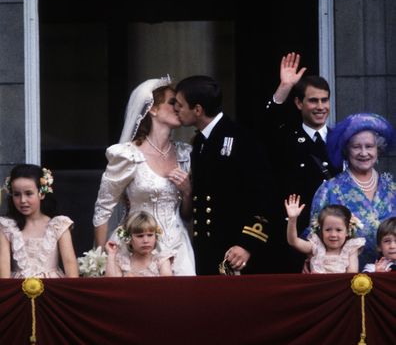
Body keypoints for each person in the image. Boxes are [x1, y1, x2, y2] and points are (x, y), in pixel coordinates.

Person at [93, 76, 196, 276]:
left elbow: (187, 215)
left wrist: (187, 192)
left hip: (177, 247)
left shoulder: (185, 154)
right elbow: (103, 208)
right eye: (172, 102)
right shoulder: (128, 155)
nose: (178, 107)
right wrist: (101, 256)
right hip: (134, 247)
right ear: (153, 109)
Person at [174, 75, 273, 275]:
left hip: (234, 253)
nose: (176, 109)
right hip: (205, 251)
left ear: (198, 110)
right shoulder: (199, 142)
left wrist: (247, 244)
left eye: (180, 105)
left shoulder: (241, 139)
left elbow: (264, 198)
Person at [261, 52, 341, 272]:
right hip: (294, 235)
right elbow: (265, 125)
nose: (320, 106)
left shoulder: (341, 141)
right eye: (313, 100)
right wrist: (285, 86)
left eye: (324, 100)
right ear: (298, 103)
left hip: (334, 239)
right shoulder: (285, 138)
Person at [310, 112, 396, 270]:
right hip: (344, 278)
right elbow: (313, 237)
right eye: (356, 147)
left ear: (378, 150)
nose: (364, 153)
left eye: (369, 146)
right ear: (346, 151)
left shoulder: (391, 188)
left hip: (389, 278)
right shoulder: (330, 189)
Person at [0, 164, 79, 278]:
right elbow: (4, 271)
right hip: (18, 289)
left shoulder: (58, 225)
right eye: (17, 194)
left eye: (28, 193)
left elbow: (70, 266)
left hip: (52, 289)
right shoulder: (7, 226)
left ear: (41, 193)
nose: (22, 200)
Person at [285, 194, 365, 273]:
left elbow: (351, 274)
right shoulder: (315, 246)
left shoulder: (350, 249)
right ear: (321, 231)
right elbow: (293, 241)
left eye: (338, 230)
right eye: (328, 230)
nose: (333, 234)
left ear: (347, 231)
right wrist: (292, 219)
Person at [105, 211, 173, 277]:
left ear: (156, 237)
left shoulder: (161, 261)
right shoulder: (122, 262)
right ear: (128, 239)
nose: (146, 241)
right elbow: (111, 284)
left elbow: (166, 285)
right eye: (140, 236)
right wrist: (111, 254)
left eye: (150, 235)